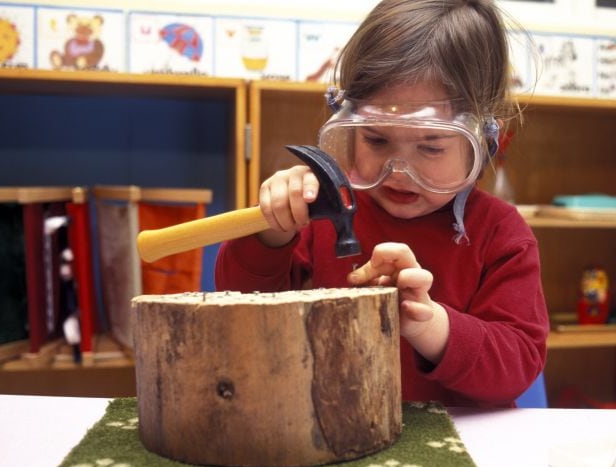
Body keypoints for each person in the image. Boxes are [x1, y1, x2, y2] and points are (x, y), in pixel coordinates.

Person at [215, 0, 548, 408]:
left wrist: (431, 326)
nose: (398, 170)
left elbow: (518, 366)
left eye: (430, 146)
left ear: (483, 140)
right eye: (376, 140)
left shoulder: (502, 234)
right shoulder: (322, 210)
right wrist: (272, 233)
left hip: (458, 444)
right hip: (331, 430)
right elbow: (243, 310)